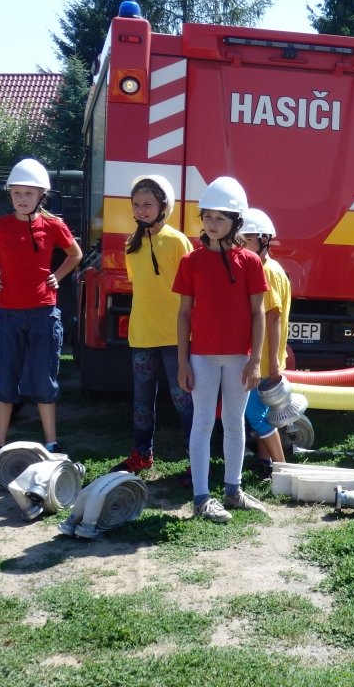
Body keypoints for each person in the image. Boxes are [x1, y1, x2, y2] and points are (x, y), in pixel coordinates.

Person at [0, 158, 83, 472]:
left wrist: (57, 277)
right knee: (6, 381)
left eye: (28, 193)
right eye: (16, 192)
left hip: (43, 314)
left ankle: (52, 445)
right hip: (7, 315)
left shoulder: (54, 225)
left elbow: (75, 254)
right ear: (9, 194)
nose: (21, 198)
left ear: (41, 195)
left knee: (44, 381)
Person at [173, 176, 269, 523]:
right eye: (207, 217)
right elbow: (184, 314)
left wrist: (255, 361)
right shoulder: (191, 262)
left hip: (239, 357)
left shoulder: (250, 262)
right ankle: (201, 498)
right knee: (201, 424)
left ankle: (233, 491)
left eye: (221, 218)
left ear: (235, 222)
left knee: (233, 422)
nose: (212, 224)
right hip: (202, 357)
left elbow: (259, 313)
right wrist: (183, 361)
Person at [112, 174, 194, 474]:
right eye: (136, 204)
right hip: (142, 334)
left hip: (176, 336)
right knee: (142, 400)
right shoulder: (130, 244)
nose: (141, 210)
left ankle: (195, 462)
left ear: (163, 206)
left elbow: (192, 289)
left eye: (147, 204)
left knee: (184, 400)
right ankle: (142, 454)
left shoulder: (177, 241)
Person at [240, 208, 290, 478]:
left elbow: (273, 318)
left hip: (263, 360)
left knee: (255, 416)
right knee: (264, 413)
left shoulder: (267, 272)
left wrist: (270, 364)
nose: (242, 246)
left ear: (264, 240)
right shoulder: (272, 268)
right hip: (268, 358)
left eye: (247, 240)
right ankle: (265, 462)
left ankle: (282, 468)